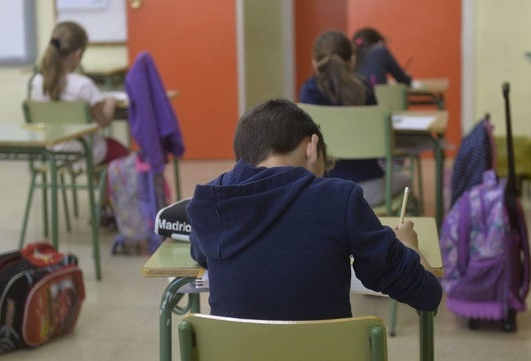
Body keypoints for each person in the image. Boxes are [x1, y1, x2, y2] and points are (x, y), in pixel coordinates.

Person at [187, 98, 442, 321]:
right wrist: (410, 246)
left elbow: (200, 253)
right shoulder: (339, 197)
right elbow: (427, 294)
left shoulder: (211, 201)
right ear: (312, 146)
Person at [299, 30, 410, 206]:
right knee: (406, 181)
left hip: (322, 190)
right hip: (368, 190)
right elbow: (379, 140)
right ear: (352, 59)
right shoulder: (364, 89)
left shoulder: (307, 92)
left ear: (314, 62)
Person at [30, 21, 129, 166]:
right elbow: (103, 122)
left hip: (52, 152)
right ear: (78, 54)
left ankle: (99, 186)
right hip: (85, 152)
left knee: (107, 149)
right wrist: (110, 102)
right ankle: (106, 188)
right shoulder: (83, 85)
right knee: (120, 150)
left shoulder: (37, 81)